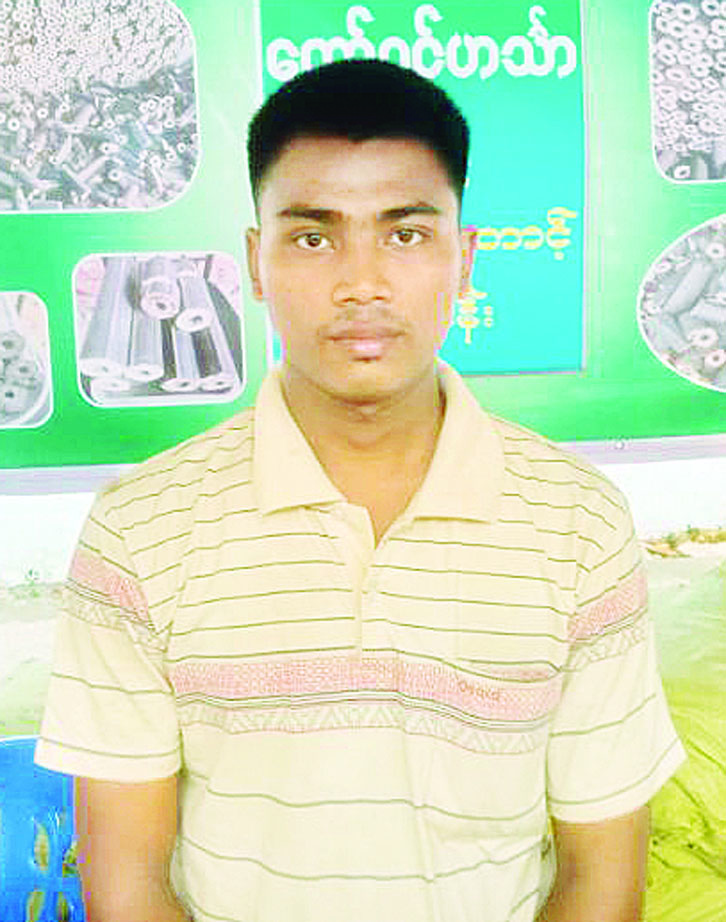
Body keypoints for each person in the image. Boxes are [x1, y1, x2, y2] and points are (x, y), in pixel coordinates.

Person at [36, 59, 685, 922]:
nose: (362, 284)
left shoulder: (579, 523)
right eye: (314, 238)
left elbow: (601, 882)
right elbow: (127, 887)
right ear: (255, 263)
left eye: (405, 235)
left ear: (464, 258)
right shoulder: (138, 531)